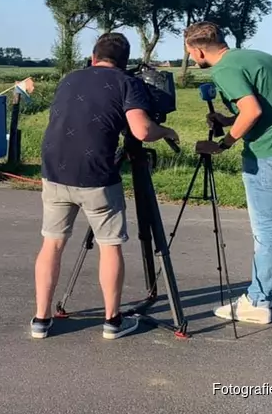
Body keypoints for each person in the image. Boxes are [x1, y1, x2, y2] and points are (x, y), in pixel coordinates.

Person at [31, 32, 180, 340]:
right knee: (109, 245)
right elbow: (141, 131)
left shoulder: (70, 78)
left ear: (93, 58)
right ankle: (113, 321)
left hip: (54, 170)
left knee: (52, 243)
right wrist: (165, 131)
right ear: (125, 63)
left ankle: (41, 320)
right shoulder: (128, 83)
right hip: (96, 176)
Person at [184, 21, 272, 325]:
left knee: (266, 230)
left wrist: (225, 143)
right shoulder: (259, 57)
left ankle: (257, 301)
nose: (192, 59)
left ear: (199, 49)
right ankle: (268, 291)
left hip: (269, 155)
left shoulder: (223, 70)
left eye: (191, 54)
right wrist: (230, 118)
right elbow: (265, 107)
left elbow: (253, 112)